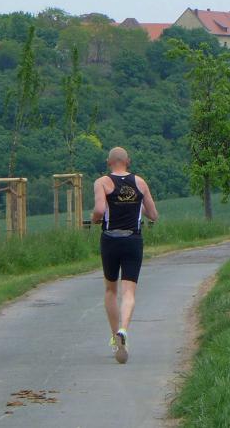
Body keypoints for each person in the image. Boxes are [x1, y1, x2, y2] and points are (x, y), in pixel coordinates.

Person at [91, 147, 159, 364]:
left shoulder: (102, 182)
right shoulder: (140, 183)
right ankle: (124, 330)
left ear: (108, 162)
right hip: (133, 240)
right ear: (128, 161)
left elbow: (99, 210)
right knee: (129, 292)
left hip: (110, 240)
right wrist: (138, 206)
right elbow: (153, 215)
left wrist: (93, 219)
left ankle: (114, 336)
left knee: (111, 289)